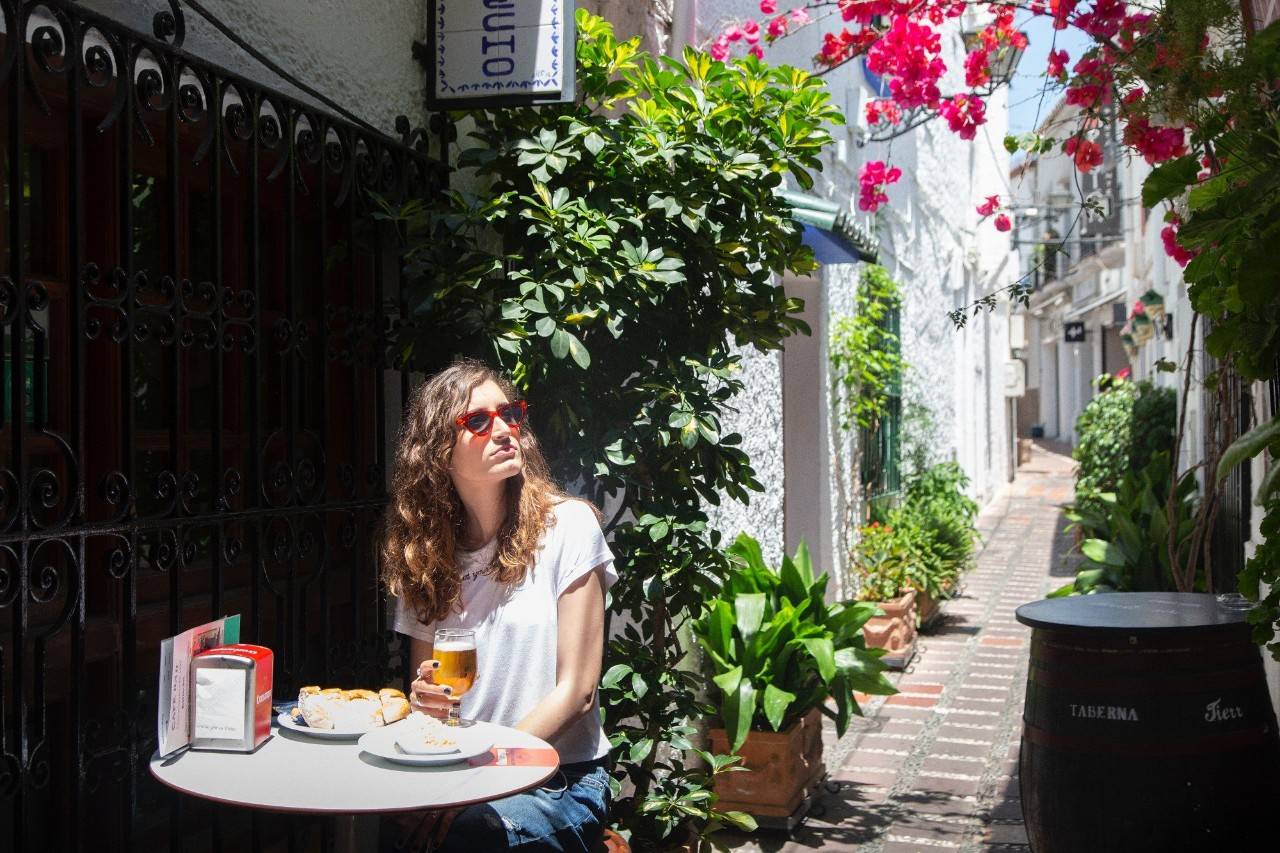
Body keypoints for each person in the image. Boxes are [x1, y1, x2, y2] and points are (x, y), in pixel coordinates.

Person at [381, 358, 616, 852]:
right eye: (478, 421)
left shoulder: (568, 527)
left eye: (510, 414)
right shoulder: (426, 555)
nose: (505, 429)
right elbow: (431, 698)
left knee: (469, 838)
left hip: (561, 777)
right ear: (437, 452)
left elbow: (578, 692)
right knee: (392, 824)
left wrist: (480, 773)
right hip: (463, 769)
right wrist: (429, 702)